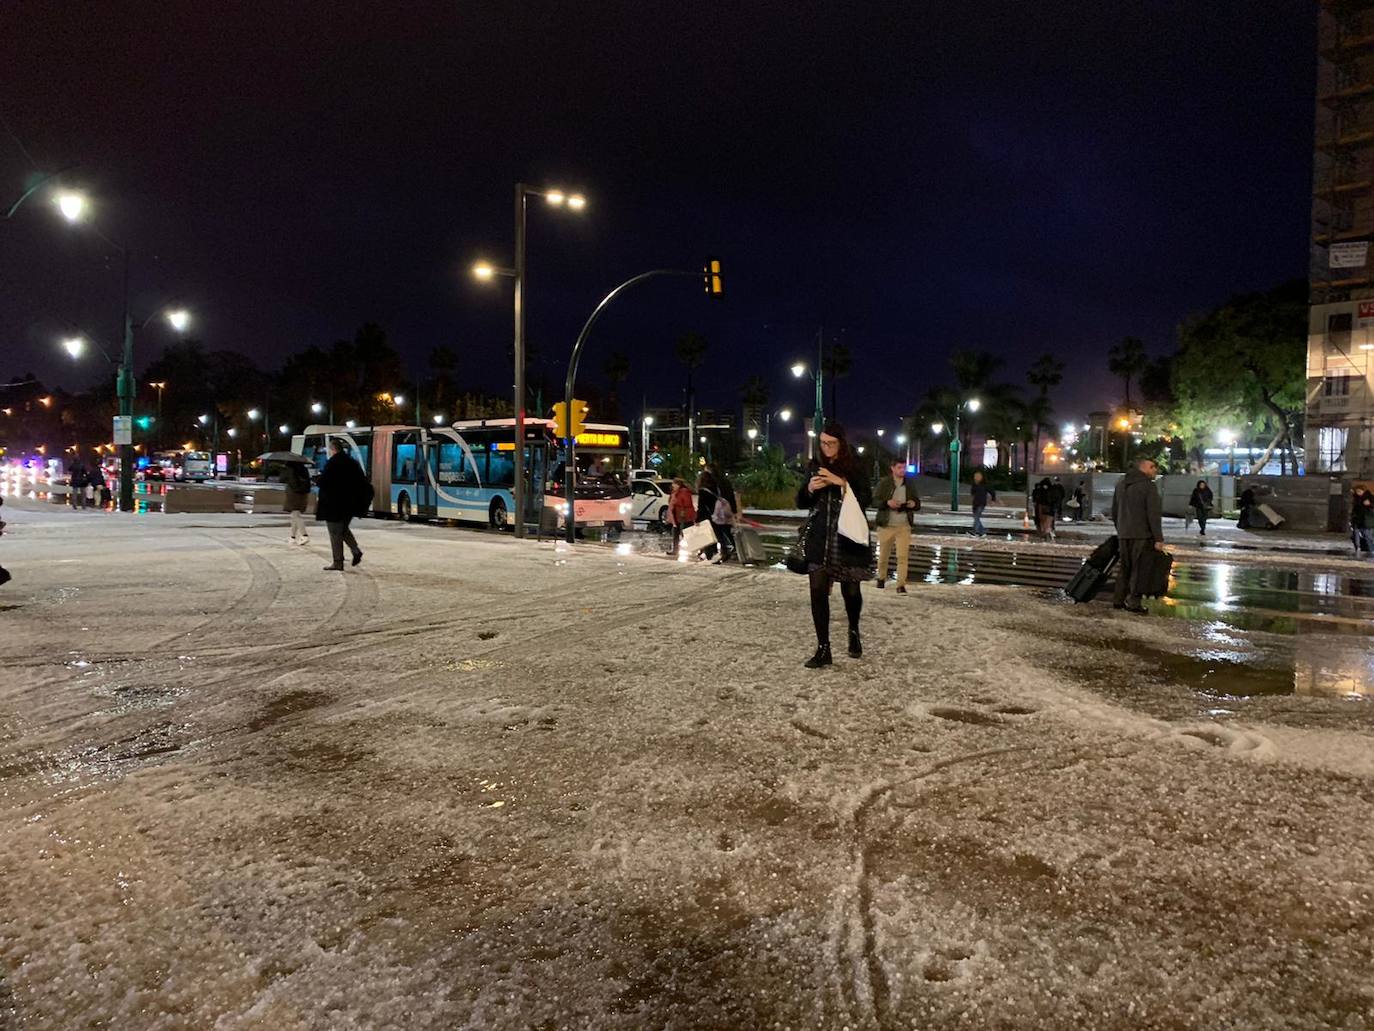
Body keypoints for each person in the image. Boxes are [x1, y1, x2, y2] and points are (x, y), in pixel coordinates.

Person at [796, 422, 873, 668]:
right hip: (820, 538)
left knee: (851, 591)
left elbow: (867, 499)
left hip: (847, 538)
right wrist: (809, 488)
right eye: (822, 443)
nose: (826, 447)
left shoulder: (855, 467)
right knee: (817, 592)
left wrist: (842, 483)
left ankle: (853, 629)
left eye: (831, 443)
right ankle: (823, 648)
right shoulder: (814, 466)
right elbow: (800, 501)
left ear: (841, 443)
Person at [1110, 457, 1165, 614]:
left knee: (1125, 568)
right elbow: (1153, 515)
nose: (1155, 470)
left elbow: (1114, 510)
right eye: (1152, 467)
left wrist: (1121, 528)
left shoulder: (1121, 484)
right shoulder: (1148, 486)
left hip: (1124, 533)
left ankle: (1118, 599)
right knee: (1138, 569)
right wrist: (1158, 538)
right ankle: (1134, 603)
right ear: (1143, 468)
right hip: (1142, 534)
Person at [315, 439, 369, 571]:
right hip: (350, 504)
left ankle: (338, 562)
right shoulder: (352, 463)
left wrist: (317, 479)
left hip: (334, 504)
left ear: (332, 449)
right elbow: (362, 482)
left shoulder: (332, 463)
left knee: (335, 533)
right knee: (343, 529)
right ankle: (355, 551)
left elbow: (324, 482)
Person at [873, 458, 919, 593]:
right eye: (899, 467)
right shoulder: (884, 483)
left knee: (902, 556)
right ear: (892, 468)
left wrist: (913, 504)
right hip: (886, 525)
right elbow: (874, 501)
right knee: (883, 555)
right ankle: (881, 578)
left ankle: (901, 585)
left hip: (904, 525)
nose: (902, 470)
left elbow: (917, 502)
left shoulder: (909, 484)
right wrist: (887, 503)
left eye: (904, 468)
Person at [709, 464, 739, 561]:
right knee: (727, 531)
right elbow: (731, 496)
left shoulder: (713, 482)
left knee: (718, 533)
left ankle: (724, 551)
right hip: (727, 510)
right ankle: (736, 548)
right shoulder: (726, 481)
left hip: (718, 511)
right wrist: (734, 510)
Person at [283, 460, 312, 545]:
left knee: (295, 514)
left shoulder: (290, 469)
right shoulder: (304, 469)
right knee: (295, 515)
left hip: (293, 494)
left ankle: (304, 535)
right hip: (303, 494)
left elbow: (284, 479)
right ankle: (292, 537)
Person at [667, 477, 695, 555]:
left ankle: (691, 548)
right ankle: (675, 549)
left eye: (674, 483)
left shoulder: (684, 492)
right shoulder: (675, 492)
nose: (672, 485)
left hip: (683, 515)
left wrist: (682, 510)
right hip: (676, 514)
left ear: (678, 485)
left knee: (685, 533)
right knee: (675, 531)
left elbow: (687, 503)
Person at [1351, 484, 1374, 557]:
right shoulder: (1356, 498)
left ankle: (1372, 550)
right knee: (1356, 535)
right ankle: (1358, 548)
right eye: (1357, 491)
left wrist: (1370, 504)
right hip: (1357, 520)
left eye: (1359, 491)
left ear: (1363, 491)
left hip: (1367, 520)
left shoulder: (1370, 497)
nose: (1358, 493)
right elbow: (1355, 510)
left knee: (1368, 536)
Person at [970, 471, 995, 536]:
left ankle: (975, 531)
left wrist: (993, 500)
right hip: (975, 503)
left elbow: (992, 492)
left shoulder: (985, 484)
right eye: (975, 476)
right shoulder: (974, 484)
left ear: (981, 477)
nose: (976, 478)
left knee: (976, 517)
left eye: (978, 476)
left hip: (981, 503)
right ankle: (982, 531)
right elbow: (972, 493)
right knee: (976, 518)